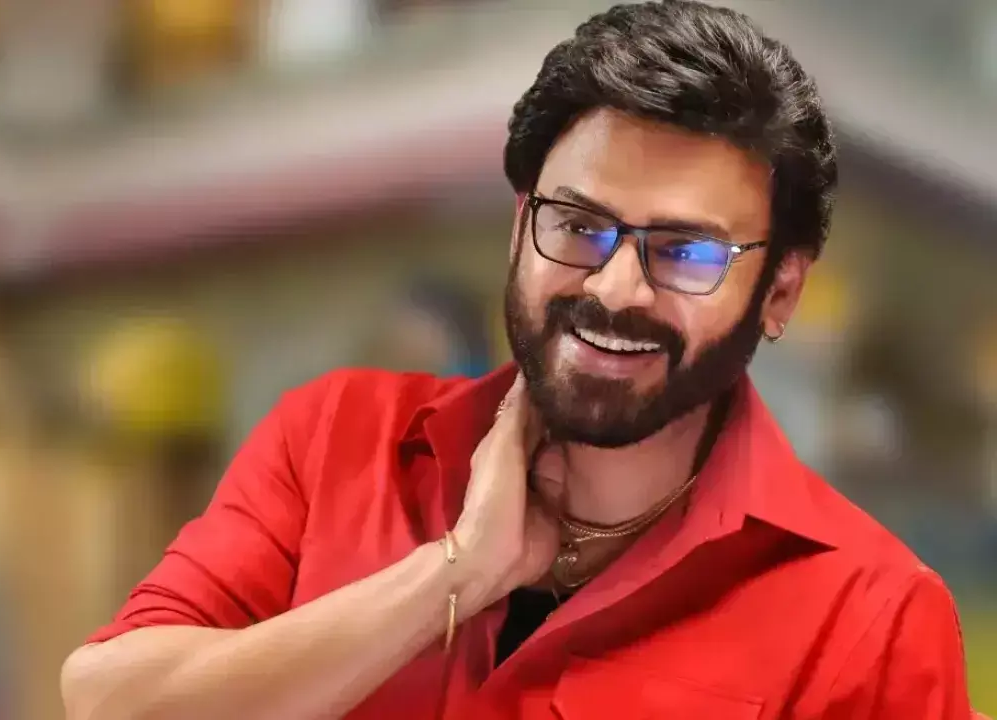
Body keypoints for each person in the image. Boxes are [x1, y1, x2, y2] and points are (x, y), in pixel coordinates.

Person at [61, 2, 980, 718]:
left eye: (686, 252)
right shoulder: (335, 437)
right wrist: (456, 574)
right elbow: (109, 702)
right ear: (519, 229)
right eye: (578, 225)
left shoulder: (872, 615)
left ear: (779, 291)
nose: (615, 288)